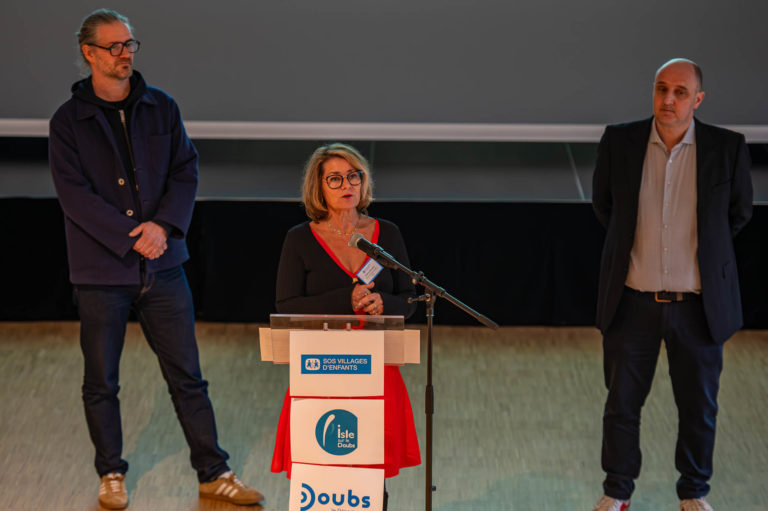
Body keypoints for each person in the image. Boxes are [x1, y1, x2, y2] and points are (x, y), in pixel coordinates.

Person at [48, 9, 263, 509]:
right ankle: (111, 473)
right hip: (102, 273)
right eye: (115, 47)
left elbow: (185, 170)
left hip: (163, 267)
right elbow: (74, 196)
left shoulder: (162, 107)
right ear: (89, 54)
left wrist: (161, 227)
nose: (125, 54)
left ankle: (214, 472)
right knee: (101, 380)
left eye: (130, 45)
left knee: (188, 376)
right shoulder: (67, 122)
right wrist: (130, 236)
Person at [591, 58, 753, 511]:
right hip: (632, 301)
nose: (668, 100)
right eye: (662, 89)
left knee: (698, 410)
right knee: (621, 405)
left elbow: (737, 216)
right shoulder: (621, 142)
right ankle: (617, 491)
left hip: (698, 306)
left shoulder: (726, 148)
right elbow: (605, 207)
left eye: (680, 92)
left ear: (697, 100)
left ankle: (693, 492)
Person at [272, 143, 421, 509]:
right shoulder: (299, 239)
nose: (346, 185)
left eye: (353, 176)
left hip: (376, 368)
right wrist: (346, 301)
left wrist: (386, 303)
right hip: (320, 369)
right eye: (334, 178)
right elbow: (286, 306)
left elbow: (411, 299)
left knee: (372, 471)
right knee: (323, 466)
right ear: (318, 187)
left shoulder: (387, 234)